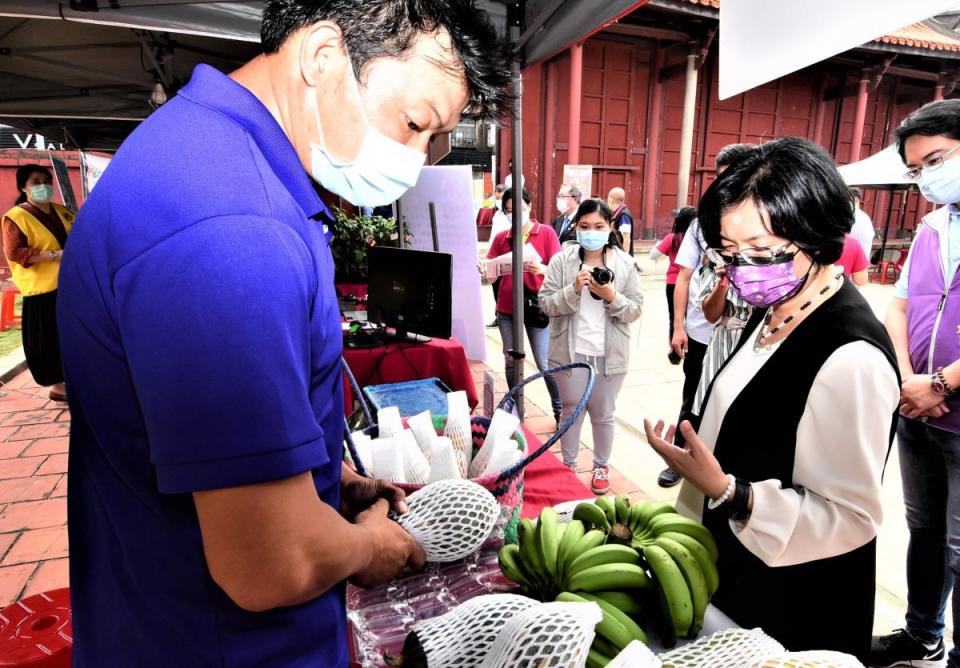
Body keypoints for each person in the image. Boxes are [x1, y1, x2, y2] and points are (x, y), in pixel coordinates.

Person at [56, 2, 510, 666]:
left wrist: (325, 479)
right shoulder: (236, 229)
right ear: (323, 56)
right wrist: (369, 546)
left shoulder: (196, 154)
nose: (412, 164)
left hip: (153, 616)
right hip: (225, 644)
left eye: (433, 141)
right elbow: (268, 562)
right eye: (413, 124)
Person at [644, 137, 899, 660]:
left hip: (795, 595)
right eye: (730, 253)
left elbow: (850, 517)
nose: (741, 271)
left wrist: (731, 492)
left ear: (818, 232)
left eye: (761, 252)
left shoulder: (850, 354)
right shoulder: (774, 304)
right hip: (737, 568)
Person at [871, 98, 960, 668]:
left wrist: (942, 386)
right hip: (916, 407)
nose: (926, 176)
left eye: (937, 159)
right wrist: (909, 380)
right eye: (917, 169)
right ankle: (922, 634)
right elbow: (898, 308)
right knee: (923, 530)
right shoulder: (931, 226)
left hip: (952, 410)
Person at [659, 143, 755, 488]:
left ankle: (723, 462)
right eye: (720, 178)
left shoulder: (765, 222)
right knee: (694, 396)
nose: (724, 187)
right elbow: (683, 276)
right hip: (702, 331)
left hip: (745, 332)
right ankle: (682, 458)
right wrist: (678, 326)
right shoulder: (702, 224)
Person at [539, 199, 642, 494]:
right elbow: (546, 304)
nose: (591, 232)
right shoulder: (562, 261)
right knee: (570, 410)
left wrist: (612, 296)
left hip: (609, 354)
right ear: (576, 227)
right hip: (571, 352)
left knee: (604, 413)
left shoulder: (624, 264)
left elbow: (635, 309)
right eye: (584, 227)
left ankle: (600, 466)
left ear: (609, 227)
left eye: (598, 226)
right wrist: (572, 289)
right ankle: (568, 465)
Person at [486, 188, 563, 424]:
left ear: (529, 206)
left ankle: (560, 408)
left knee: (544, 360)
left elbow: (560, 269)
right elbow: (491, 271)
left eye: (519, 209)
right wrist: (485, 268)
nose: (514, 214)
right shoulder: (502, 238)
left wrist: (542, 269)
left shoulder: (546, 233)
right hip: (507, 307)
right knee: (511, 359)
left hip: (537, 306)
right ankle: (516, 405)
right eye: (509, 211)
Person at [1, 165, 72, 402]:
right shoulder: (17, 216)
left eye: (46, 180)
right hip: (42, 289)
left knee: (70, 335)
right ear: (23, 187)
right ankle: (57, 385)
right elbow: (15, 252)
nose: (42, 185)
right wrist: (55, 255)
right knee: (47, 340)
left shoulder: (63, 211)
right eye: (35, 181)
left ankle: (73, 379)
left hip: (70, 285)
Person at [650, 206, 696, 365]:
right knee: (691, 316)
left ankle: (675, 352)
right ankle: (691, 348)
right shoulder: (696, 239)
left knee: (675, 317)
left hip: (673, 282)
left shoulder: (672, 238)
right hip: (692, 282)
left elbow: (653, 255)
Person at [849, 186, 876, 259]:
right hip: (863, 261)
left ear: (856, 199)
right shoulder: (865, 217)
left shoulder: (849, 215)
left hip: (851, 260)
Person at [606, 187, 634, 255]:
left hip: (620, 256)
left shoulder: (623, 215)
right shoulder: (616, 213)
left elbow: (626, 239)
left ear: (610, 199)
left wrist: (625, 257)